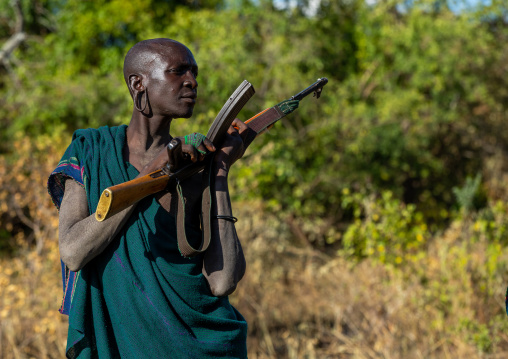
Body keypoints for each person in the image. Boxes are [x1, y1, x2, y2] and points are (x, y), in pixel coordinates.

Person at [47, 38, 255, 358]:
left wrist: (220, 170)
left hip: (198, 343)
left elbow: (223, 281)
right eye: (178, 71)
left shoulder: (195, 162)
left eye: (194, 72)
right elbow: (74, 251)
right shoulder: (90, 151)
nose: (192, 81)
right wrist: (149, 176)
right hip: (121, 343)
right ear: (138, 82)